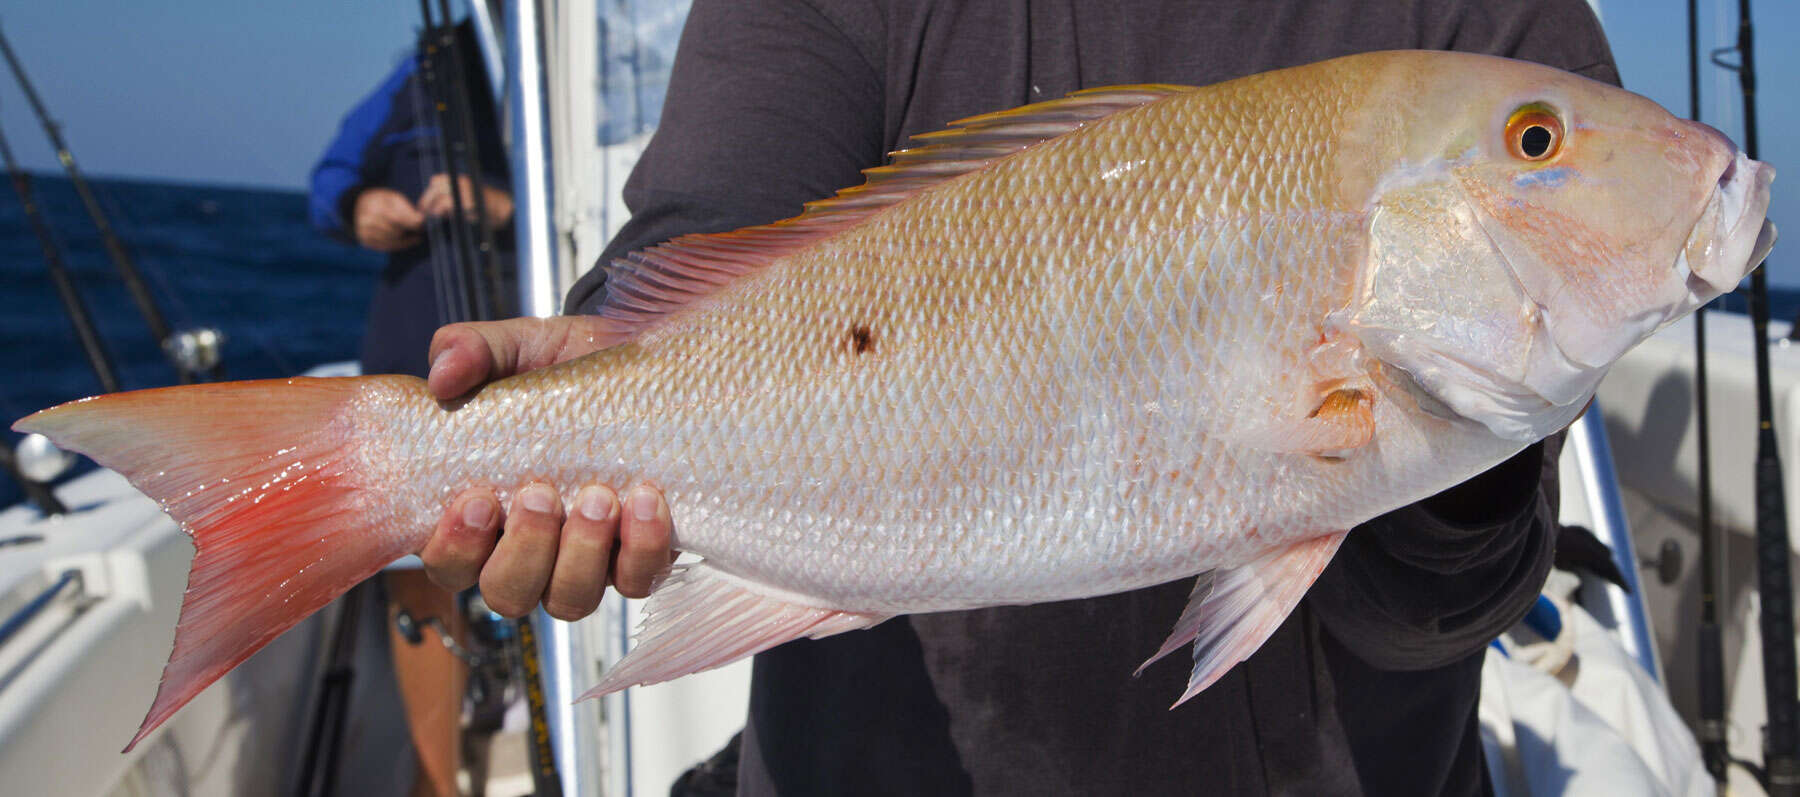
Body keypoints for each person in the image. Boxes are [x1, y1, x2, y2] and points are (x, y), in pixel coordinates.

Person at [417, 1, 1620, 793]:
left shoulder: (1495, 32)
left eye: (1533, 142)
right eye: (1532, 141)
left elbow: (1423, 617)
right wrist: (584, 404)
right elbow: (703, 235)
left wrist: (1450, 438)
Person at [309, 20, 515, 797]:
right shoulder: (417, 73)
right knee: (421, 571)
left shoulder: (556, 68)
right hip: (410, 357)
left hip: (526, 354)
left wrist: (497, 204)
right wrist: (361, 206)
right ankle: (437, 779)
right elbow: (328, 181)